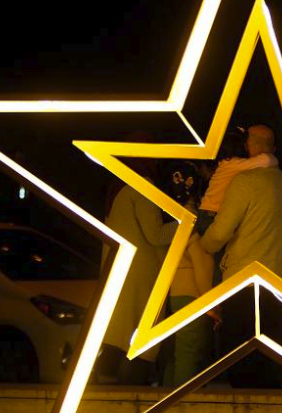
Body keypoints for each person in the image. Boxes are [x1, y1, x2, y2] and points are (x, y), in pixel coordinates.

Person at [163, 130, 278, 386]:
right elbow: (267, 161)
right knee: (189, 353)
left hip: (208, 218)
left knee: (182, 354)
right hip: (211, 220)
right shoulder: (234, 166)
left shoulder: (224, 168)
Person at [189, 124, 282, 387]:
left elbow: (219, 233)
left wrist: (203, 243)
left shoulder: (244, 181)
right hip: (279, 281)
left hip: (244, 280)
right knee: (271, 361)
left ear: (250, 144)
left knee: (240, 358)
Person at [101, 148, 178, 385]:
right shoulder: (142, 185)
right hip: (141, 275)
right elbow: (155, 234)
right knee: (142, 342)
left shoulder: (118, 189)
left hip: (118, 271)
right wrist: (186, 222)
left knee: (116, 336)